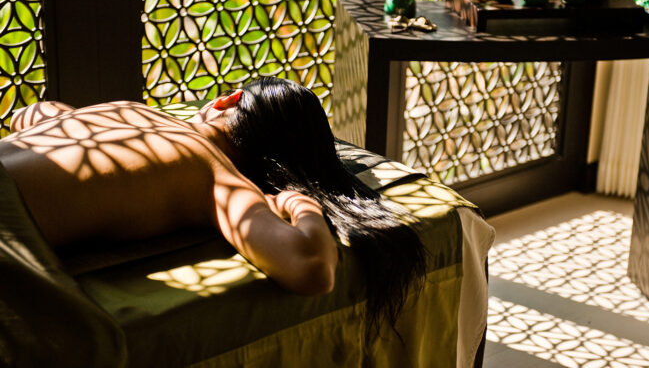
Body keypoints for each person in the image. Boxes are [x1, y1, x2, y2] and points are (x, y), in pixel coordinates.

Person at [0, 77, 424, 334]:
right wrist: (301, 203)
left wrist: (66, 117)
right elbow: (312, 267)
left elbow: (28, 114)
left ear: (227, 100)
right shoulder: (217, 177)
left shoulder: (129, 110)